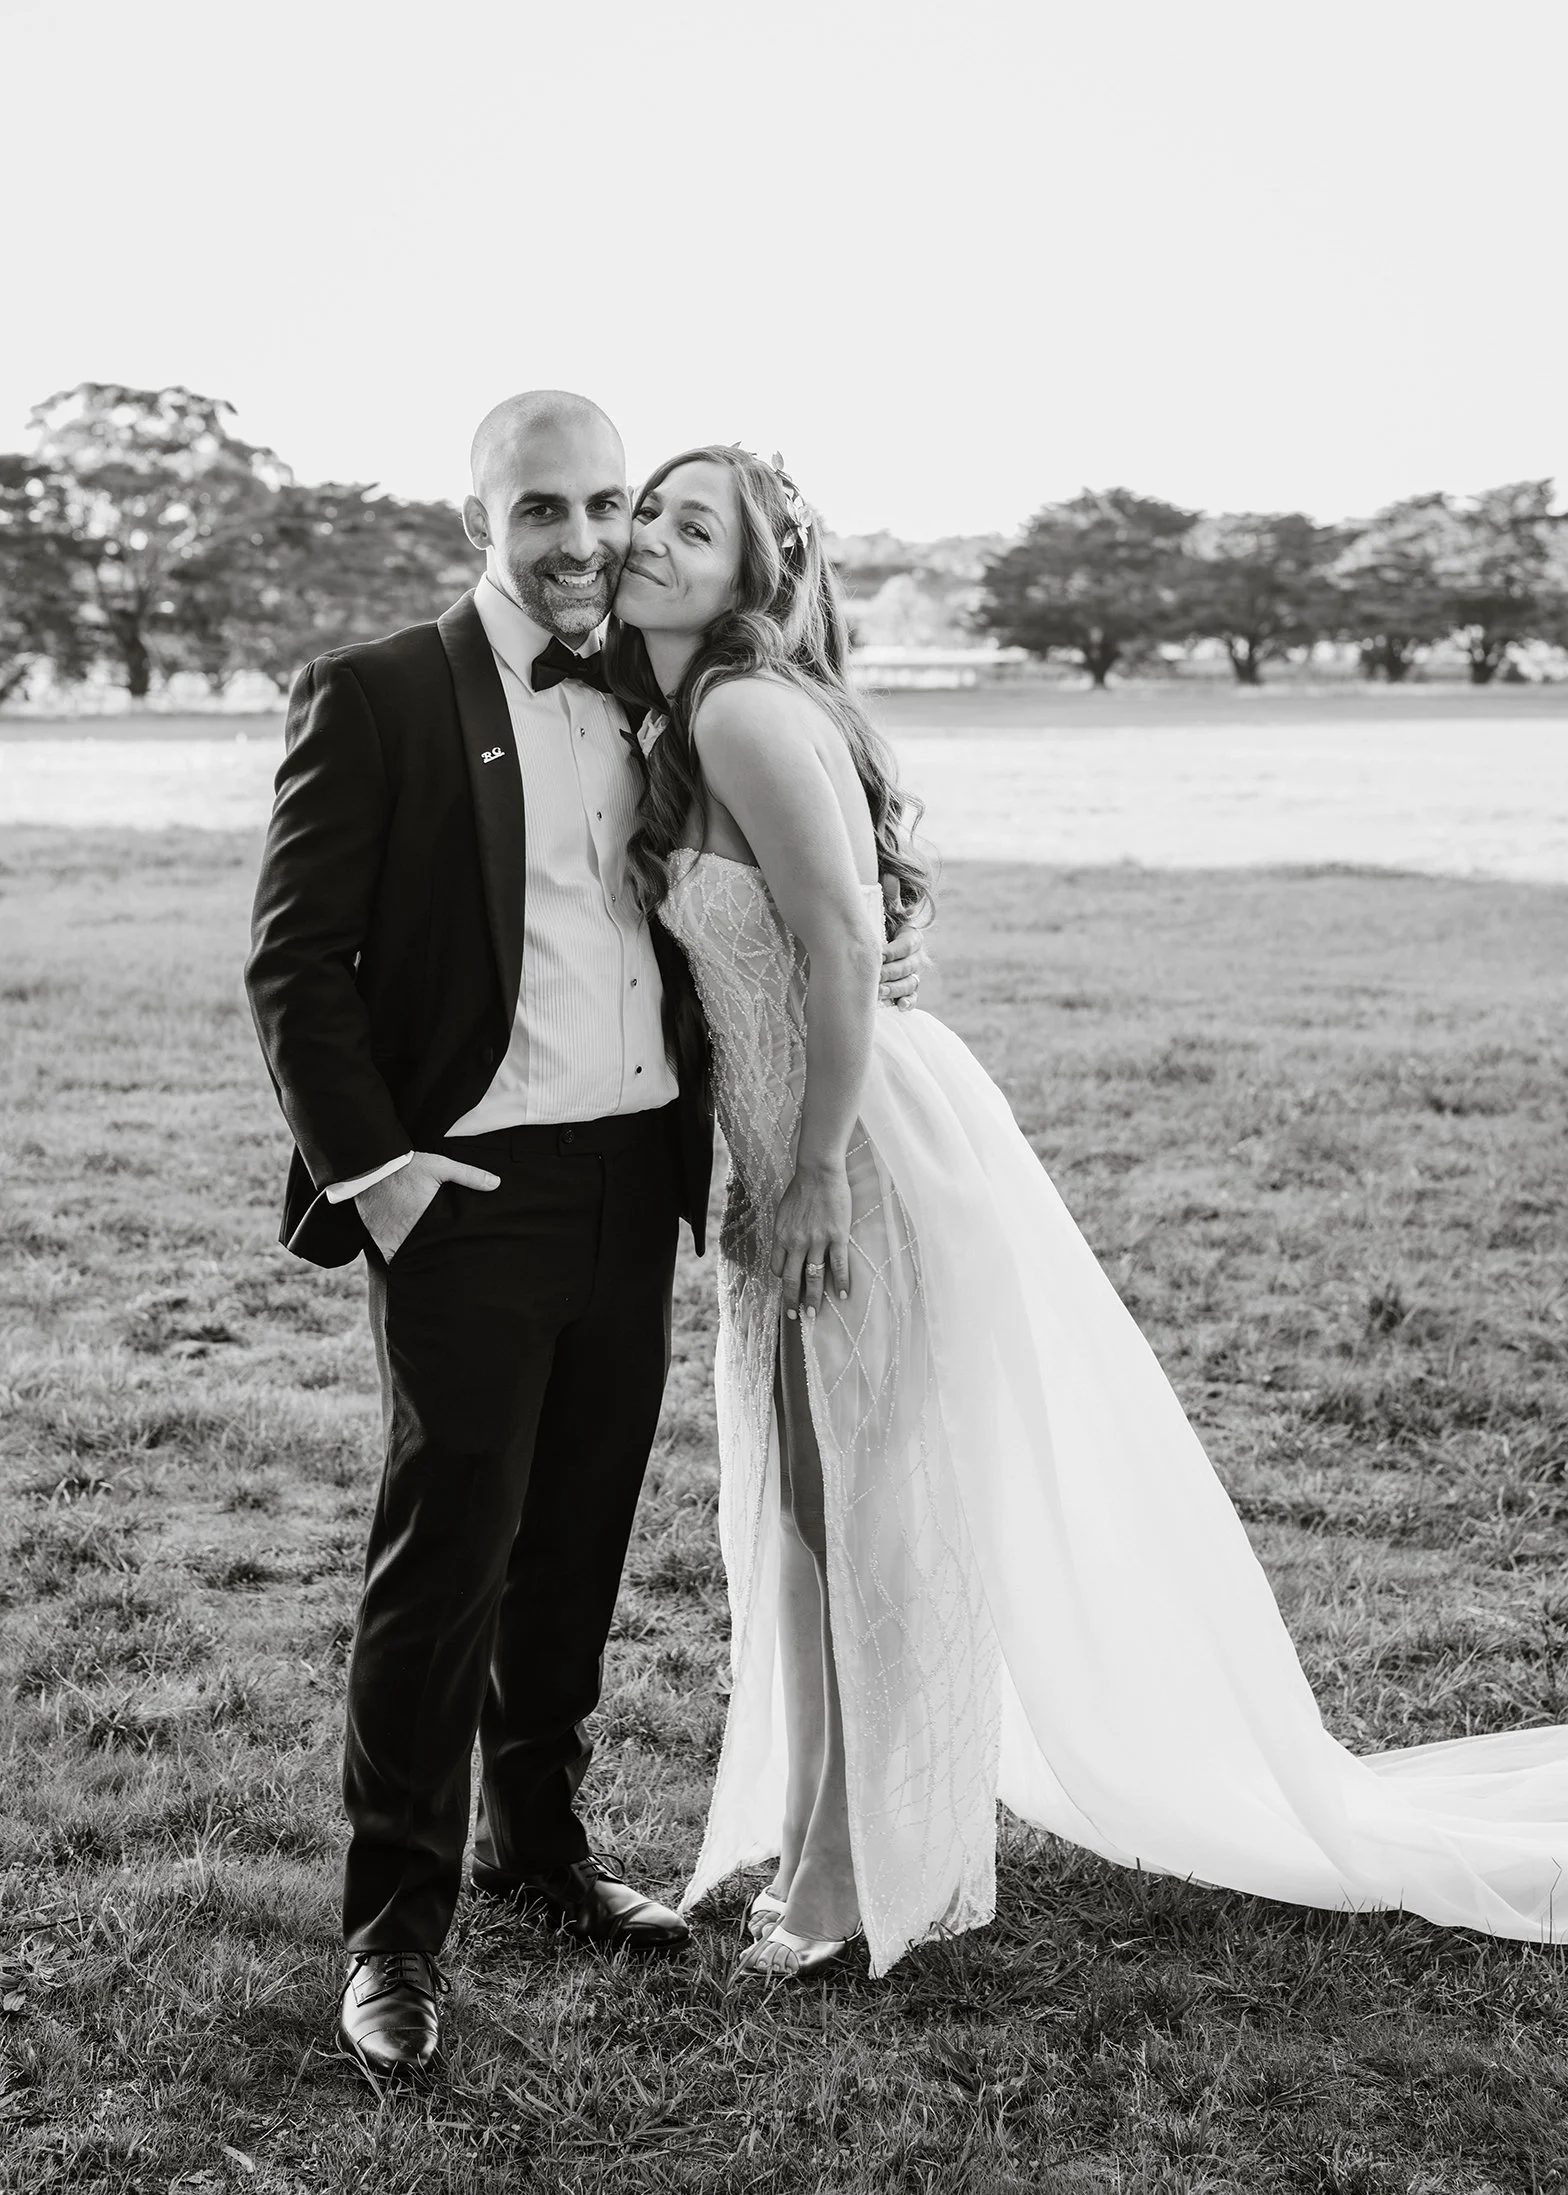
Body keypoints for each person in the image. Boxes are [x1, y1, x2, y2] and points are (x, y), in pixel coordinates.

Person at [609, 441, 1568, 1984]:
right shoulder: (688, 714)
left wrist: (814, 1171)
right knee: (812, 1504)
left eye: (690, 522)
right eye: (647, 511)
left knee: (865, 1513)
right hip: (806, 1137)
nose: (650, 536)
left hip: (854, 1158)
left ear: (756, 570)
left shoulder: (736, 706)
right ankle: (814, 1832)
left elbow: (849, 945)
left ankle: (859, 1869)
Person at [244, 393, 925, 2081]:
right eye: (540, 506)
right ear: (477, 510)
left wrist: (881, 956)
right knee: (447, 1552)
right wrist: (382, 1174)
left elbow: (803, 873)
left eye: (605, 503)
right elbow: (293, 965)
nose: (580, 538)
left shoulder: (657, 685)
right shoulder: (384, 691)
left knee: (580, 1544)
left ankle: (537, 1853)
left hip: (643, 1178)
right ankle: (393, 1932)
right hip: (466, 1189)